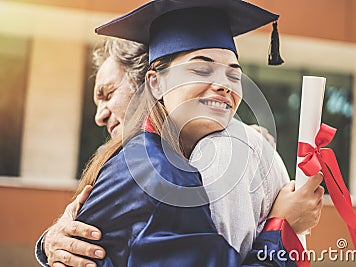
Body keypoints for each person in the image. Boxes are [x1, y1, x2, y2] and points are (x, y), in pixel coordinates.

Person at [36, 1, 324, 266]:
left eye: (234, 75)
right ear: (155, 84)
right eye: (201, 69)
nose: (225, 85)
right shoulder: (163, 174)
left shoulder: (147, 160)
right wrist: (281, 227)